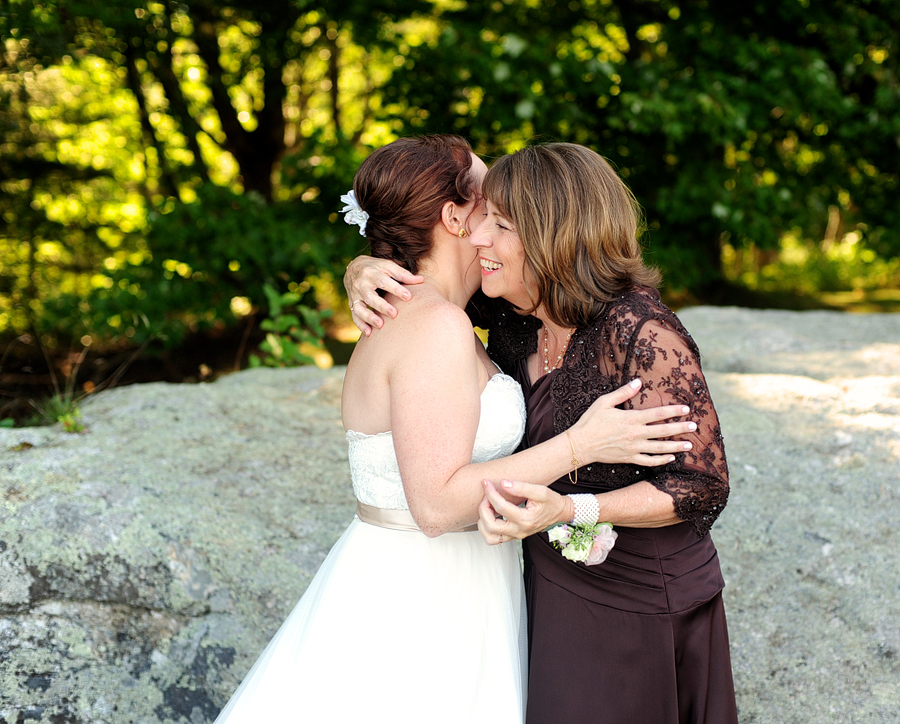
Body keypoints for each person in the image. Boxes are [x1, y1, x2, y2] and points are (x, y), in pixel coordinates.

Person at [215, 136, 697, 724]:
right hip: (428, 592)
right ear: (452, 216)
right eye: (490, 205)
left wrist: (361, 264)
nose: (502, 214)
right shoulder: (435, 324)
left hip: (452, 575)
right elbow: (438, 503)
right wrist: (581, 444)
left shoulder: (446, 311)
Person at [345, 143, 737, 724]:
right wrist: (361, 268)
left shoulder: (640, 334)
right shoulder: (511, 319)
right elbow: (427, 278)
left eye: (500, 224)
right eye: (483, 216)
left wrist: (575, 510)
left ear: (551, 236)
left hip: (645, 602)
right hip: (552, 595)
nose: (479, 236)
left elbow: (701, 487)